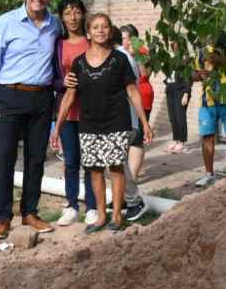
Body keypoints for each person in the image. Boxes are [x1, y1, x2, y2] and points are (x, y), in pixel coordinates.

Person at [52, 14, 152, 233]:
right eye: (95, 27)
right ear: (88, 33)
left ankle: (117, 215)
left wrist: (144, 122)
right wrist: (58, 127)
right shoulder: (78, 63)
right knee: (95, 169)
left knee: (116, 168)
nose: (100, 30)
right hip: (89, 123)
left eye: (105, 27)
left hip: (116, 121)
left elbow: (132, 91)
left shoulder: (120, 59)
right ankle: (100, 216)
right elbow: (69, 97)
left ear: (110, 31)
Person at [0, 0, 61, 239]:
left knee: (36, 158)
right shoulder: (5, 23)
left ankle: (30, 212)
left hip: (42, 98)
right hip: (9, 96)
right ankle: (3, 217)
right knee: (4, 157)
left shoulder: (55, 25)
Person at [52, 0, 96, 227]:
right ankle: (71, 206)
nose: (72, 17)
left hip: (91, 112)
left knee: (91, 161)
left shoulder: (92, 40)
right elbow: (52, 78)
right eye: (67, 13)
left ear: (83, 13)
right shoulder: (58, 44)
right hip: (67, 112)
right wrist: (62, 82)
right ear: (61, 17)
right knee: (71, 161)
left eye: (76, 11)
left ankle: (92, 207)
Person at [194, 37, 226, 187]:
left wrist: (223, 60)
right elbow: (192, 75)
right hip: (207, 101)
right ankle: (209, 174)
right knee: (207, 137)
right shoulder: (201, 53)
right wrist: (198, 75)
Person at [121, 24, 153, 180]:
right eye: (121, 39)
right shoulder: (119, 53)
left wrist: (136, 56)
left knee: (137, 136)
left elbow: (145, 74)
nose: (124, 42)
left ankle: (132, 177)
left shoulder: (142, 52)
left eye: (126, 38)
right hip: (124, 98)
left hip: (142, 96)